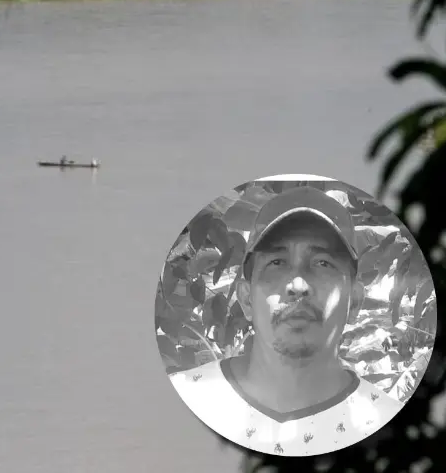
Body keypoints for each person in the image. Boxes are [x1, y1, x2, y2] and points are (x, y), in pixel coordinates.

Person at [169, 186, 404, 457]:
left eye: (323, 263)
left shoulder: (389, 431)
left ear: (355, 301)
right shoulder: (184, 401)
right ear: (246, 299)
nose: (298, 284)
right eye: (277, 262)